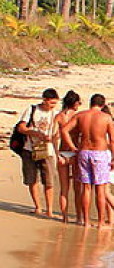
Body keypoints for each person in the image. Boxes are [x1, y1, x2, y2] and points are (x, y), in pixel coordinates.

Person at [61, 94, 114, 229]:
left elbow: (64, 130)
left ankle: (86, 221)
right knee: (100, 189)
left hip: (84, 152)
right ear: (103, 105)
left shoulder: (81, 116)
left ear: (90, 103)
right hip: (100, 153)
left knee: (86, 188)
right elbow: (113, 140)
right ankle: (100, 222)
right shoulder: (106, 118)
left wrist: (73, 147)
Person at [16, 88, 60, 217]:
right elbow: (21, 127)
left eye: (55, 103)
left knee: (49, 180)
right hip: (30, 148)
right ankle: (38, 207)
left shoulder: (55, 114)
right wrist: (35, 133)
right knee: (32, 179)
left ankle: (50, 209)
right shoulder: (32, 110)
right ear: (45, 100)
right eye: (51, 103)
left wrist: (53, 138)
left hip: (48, 150)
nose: (53, 106)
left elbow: (58, 131)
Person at [54, 90, 82, 224]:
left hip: (62, 152)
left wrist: (55, 154)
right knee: (78, 189)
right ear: (75, 103)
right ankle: (79, 217)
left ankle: (64, 217)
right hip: (75, 152)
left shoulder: (59, 117)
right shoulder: (78, 117)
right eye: (79, 102)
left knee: (64, 188)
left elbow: (54, 138)